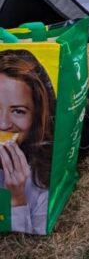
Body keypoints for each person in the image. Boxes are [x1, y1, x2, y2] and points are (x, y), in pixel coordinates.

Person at [0, 49, 56, 235]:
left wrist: (17, 198)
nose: (3, 124)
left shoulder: (43, 183)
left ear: (37, 116)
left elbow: (24, 245)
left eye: (18, 111)